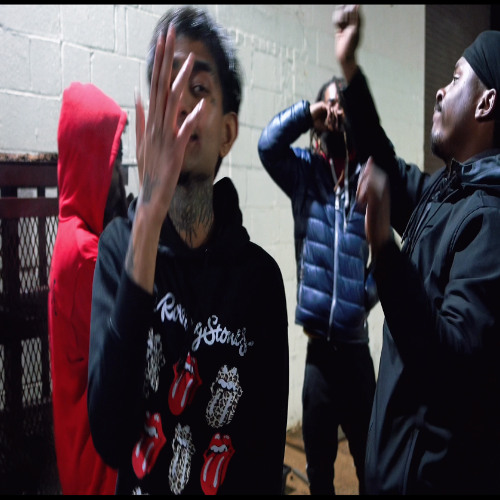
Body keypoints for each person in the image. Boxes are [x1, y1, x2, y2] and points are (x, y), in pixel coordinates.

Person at [87, 6, 289, 495]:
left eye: (198, 88)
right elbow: (111, 439)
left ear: (227, 133)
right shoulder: (120, 247)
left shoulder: (260, 279)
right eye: (167, 87)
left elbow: (264, 460)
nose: (179, 103)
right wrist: (147, 220)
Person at [334, 4, 500, 495]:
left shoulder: (488, 223)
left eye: (456, 78)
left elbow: (448, 363)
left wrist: (385, 250)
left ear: (486, 104)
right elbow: (382, 160)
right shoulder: (444, 193)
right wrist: (350, 70)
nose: (441, 91)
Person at [258, 70, 378, 494]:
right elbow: (267, 145)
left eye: (342, 104)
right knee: (321, 475)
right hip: (319, 359)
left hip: (357, 353)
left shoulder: (368, 178)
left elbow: (387, 253)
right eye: (330, 103)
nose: (336, 111)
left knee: (371, 466)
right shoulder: (305, 174)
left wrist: (361, 299)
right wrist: (308, 113)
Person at [48, 82, 129, 494]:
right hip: (96, 460)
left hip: (78, 444)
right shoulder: (87, 254)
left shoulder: (70, 232)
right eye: (116, 159)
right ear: (94, 160)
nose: (122, 174)